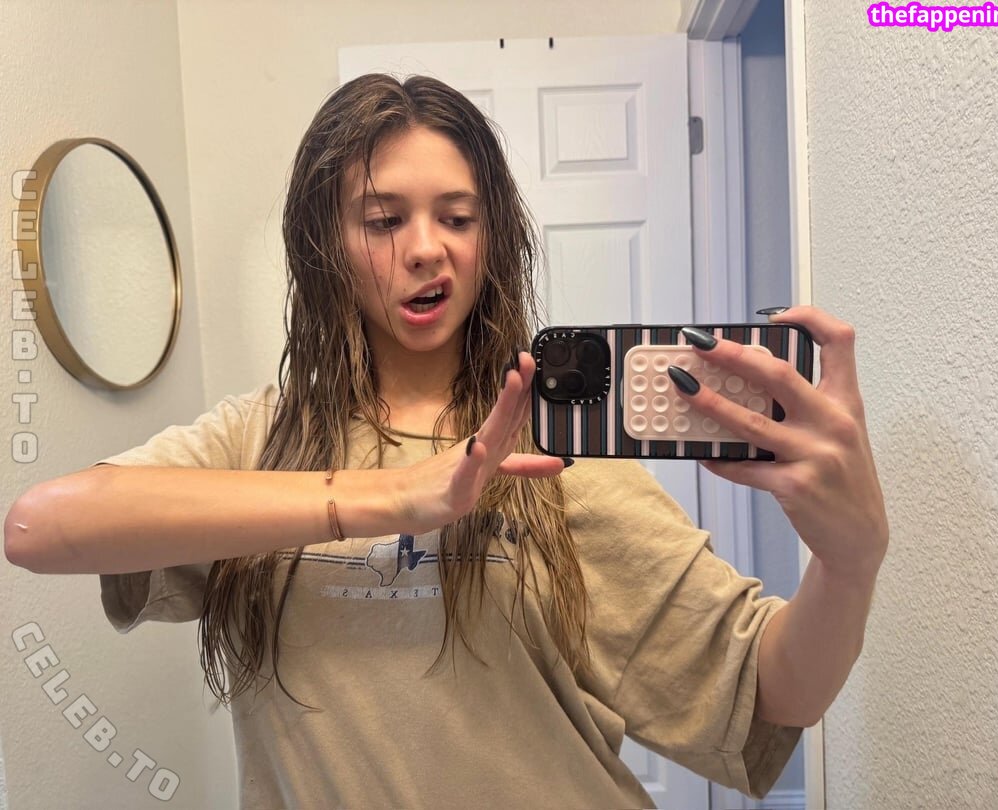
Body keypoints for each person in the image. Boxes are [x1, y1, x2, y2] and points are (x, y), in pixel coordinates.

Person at [4, 74, 888, 809]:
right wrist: (393, 496)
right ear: (324, 245)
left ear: (489, 240)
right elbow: (41, 527)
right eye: (384, 220)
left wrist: (850, 564)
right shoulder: (256, 439)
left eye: (457, 218)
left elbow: (775, 689)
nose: (427, 248)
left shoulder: (547, 448)